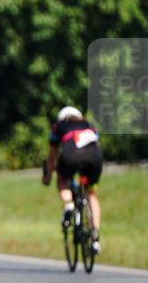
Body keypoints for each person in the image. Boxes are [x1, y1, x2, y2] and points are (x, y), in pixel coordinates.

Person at [42, 106, 103, 254]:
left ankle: (69, 205)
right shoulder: (88, 124)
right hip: (95, 158)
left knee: (62, 179)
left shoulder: (60, 126)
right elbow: (96, 144)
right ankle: (95, 237)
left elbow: (52, 155)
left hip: (71, 156)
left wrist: (48, 175)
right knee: (91, 194)